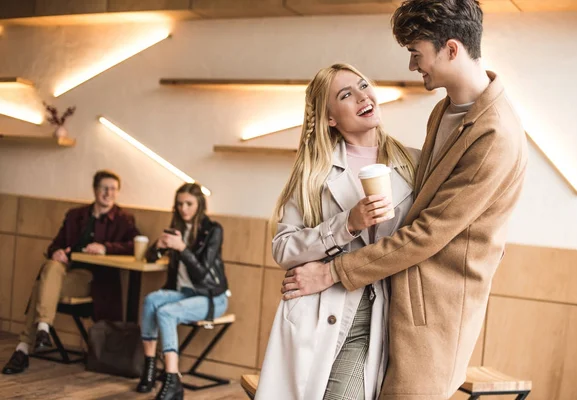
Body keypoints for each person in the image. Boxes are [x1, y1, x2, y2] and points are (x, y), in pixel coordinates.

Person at [281, 1, 529, 398]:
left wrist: (332, 272)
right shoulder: (444, 111)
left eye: (417, 54)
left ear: (450, 48)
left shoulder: (495, 135)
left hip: (433, 309)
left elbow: (427, 233)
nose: (414, 66)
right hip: (389, 297)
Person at [256, 63, 419, 400]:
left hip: (390, 312)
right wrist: (345, 225)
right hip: (325, 313)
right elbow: (284, 248)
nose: (363, 96)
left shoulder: (416, 164)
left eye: (363, 86)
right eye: (347, 94)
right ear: (330, 118)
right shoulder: (312, 174)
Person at [2, 169, 140, 375]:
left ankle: (27, 344)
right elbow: (54, 245)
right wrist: (56, 252)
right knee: (51, 266)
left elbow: (134, 245)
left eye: (113, 189)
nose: (108, 193)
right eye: (104, 188)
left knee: (41, 285)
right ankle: (40, 331)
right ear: (95, 190)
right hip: (65, 273)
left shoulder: (123, 220)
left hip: (93, 280)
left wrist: (106, 248)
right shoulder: (76, 215)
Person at [136, 183, 229, 400]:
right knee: (151, 300)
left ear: (200, 204)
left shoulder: (213, 230)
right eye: (179, 204)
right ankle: (149, 367)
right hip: (183, 293)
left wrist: (182, 248)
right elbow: (150, 259)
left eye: (189, 203)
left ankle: (172, 379)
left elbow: (201, 272)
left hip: (211, 297)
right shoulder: (176, 228)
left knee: (166, 312)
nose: (183, 208)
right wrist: (158, 246)